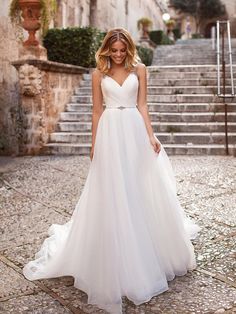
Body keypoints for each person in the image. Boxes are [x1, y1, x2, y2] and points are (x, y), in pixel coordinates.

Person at [23, 28, 201, 314]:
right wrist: (94, 144)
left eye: (122, 50)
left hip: (133, 129)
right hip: (109, 132)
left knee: (139, 186)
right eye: (113, 50)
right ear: (107, 49)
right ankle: (116, 252)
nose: (118, 54)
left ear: (128, 49)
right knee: (111, 191)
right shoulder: (98, 74)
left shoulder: (140, 69)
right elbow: (96, 111)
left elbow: (143, 105)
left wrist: (151, 136)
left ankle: (146, 248)